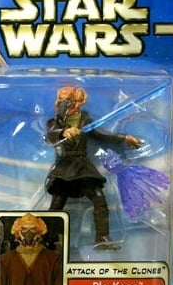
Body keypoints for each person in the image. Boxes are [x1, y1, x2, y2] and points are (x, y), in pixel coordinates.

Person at [45, 86, 142, 250]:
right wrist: (63, 132)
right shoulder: (54, 122)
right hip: (64, 167)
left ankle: (102, 238)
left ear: (77, 102)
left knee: (99, 199)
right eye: (61, 100)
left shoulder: (85, 121)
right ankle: (47, 238)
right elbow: (51, 135)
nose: (63, 103)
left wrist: (124, 138)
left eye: (68, 100)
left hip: (83, 167)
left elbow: (101, 135)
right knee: (57, 205)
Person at [0, 213, 62, 285]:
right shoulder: (5, 260)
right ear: (18, 231)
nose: (28, 233)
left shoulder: (53, 260)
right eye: (24, 228)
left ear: (39, 231)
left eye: (33, 228)